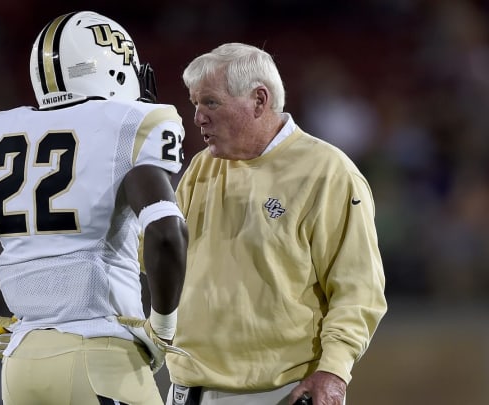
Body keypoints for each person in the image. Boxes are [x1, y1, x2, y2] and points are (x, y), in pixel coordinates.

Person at [0, 11, 189, 405]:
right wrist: (164, 328)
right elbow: (167, 234)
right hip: (100, 357)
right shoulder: (129, 125)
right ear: (113, 69)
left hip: (20, 363)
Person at [164, 43, 388, 405]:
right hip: (188, 388)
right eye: (195, 105)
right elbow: (157, 257)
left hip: (280, 392)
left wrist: (333, 371)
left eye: (210, 102)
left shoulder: (327, 172)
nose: (198, 118)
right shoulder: (202, 167)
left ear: (258, 99)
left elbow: (359, 289)